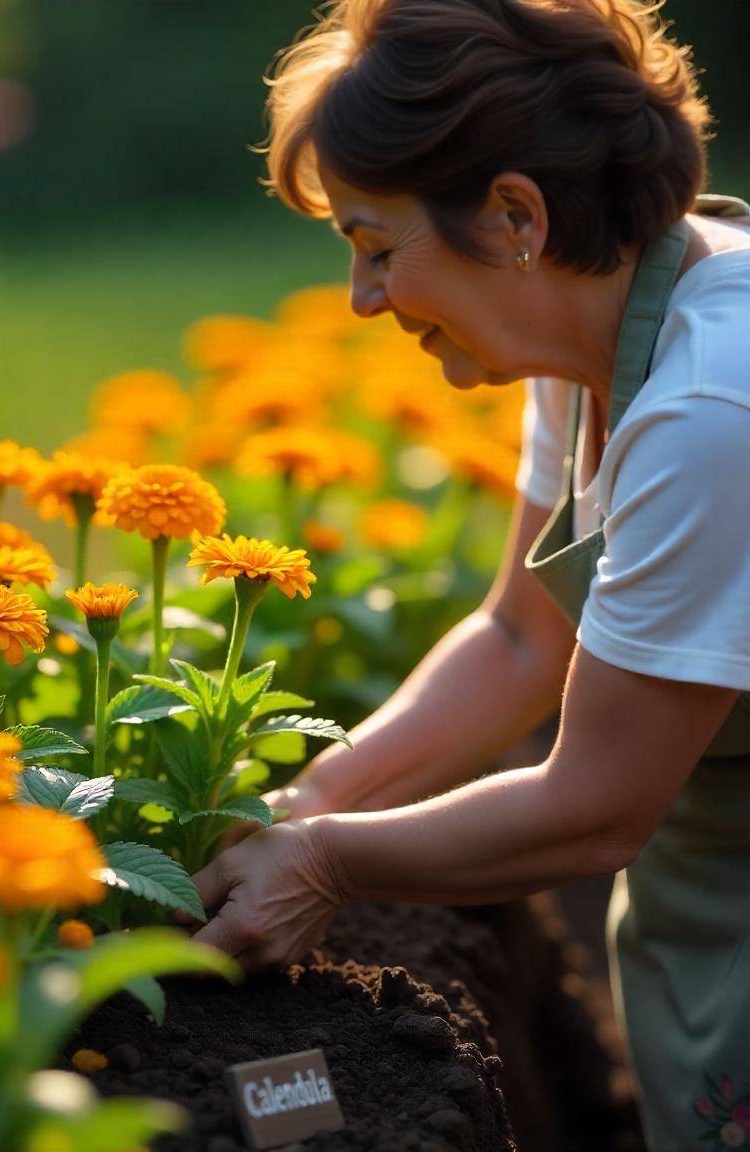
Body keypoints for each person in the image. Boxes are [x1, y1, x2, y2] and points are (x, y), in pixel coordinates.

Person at [189, 2, 750, 1147]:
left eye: (376, 247)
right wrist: (305, 801)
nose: (363, 299)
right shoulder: (580, 335)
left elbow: (594, 811)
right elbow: (518, 642)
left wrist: (326, 865)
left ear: (512, 217)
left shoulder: (711, 409)